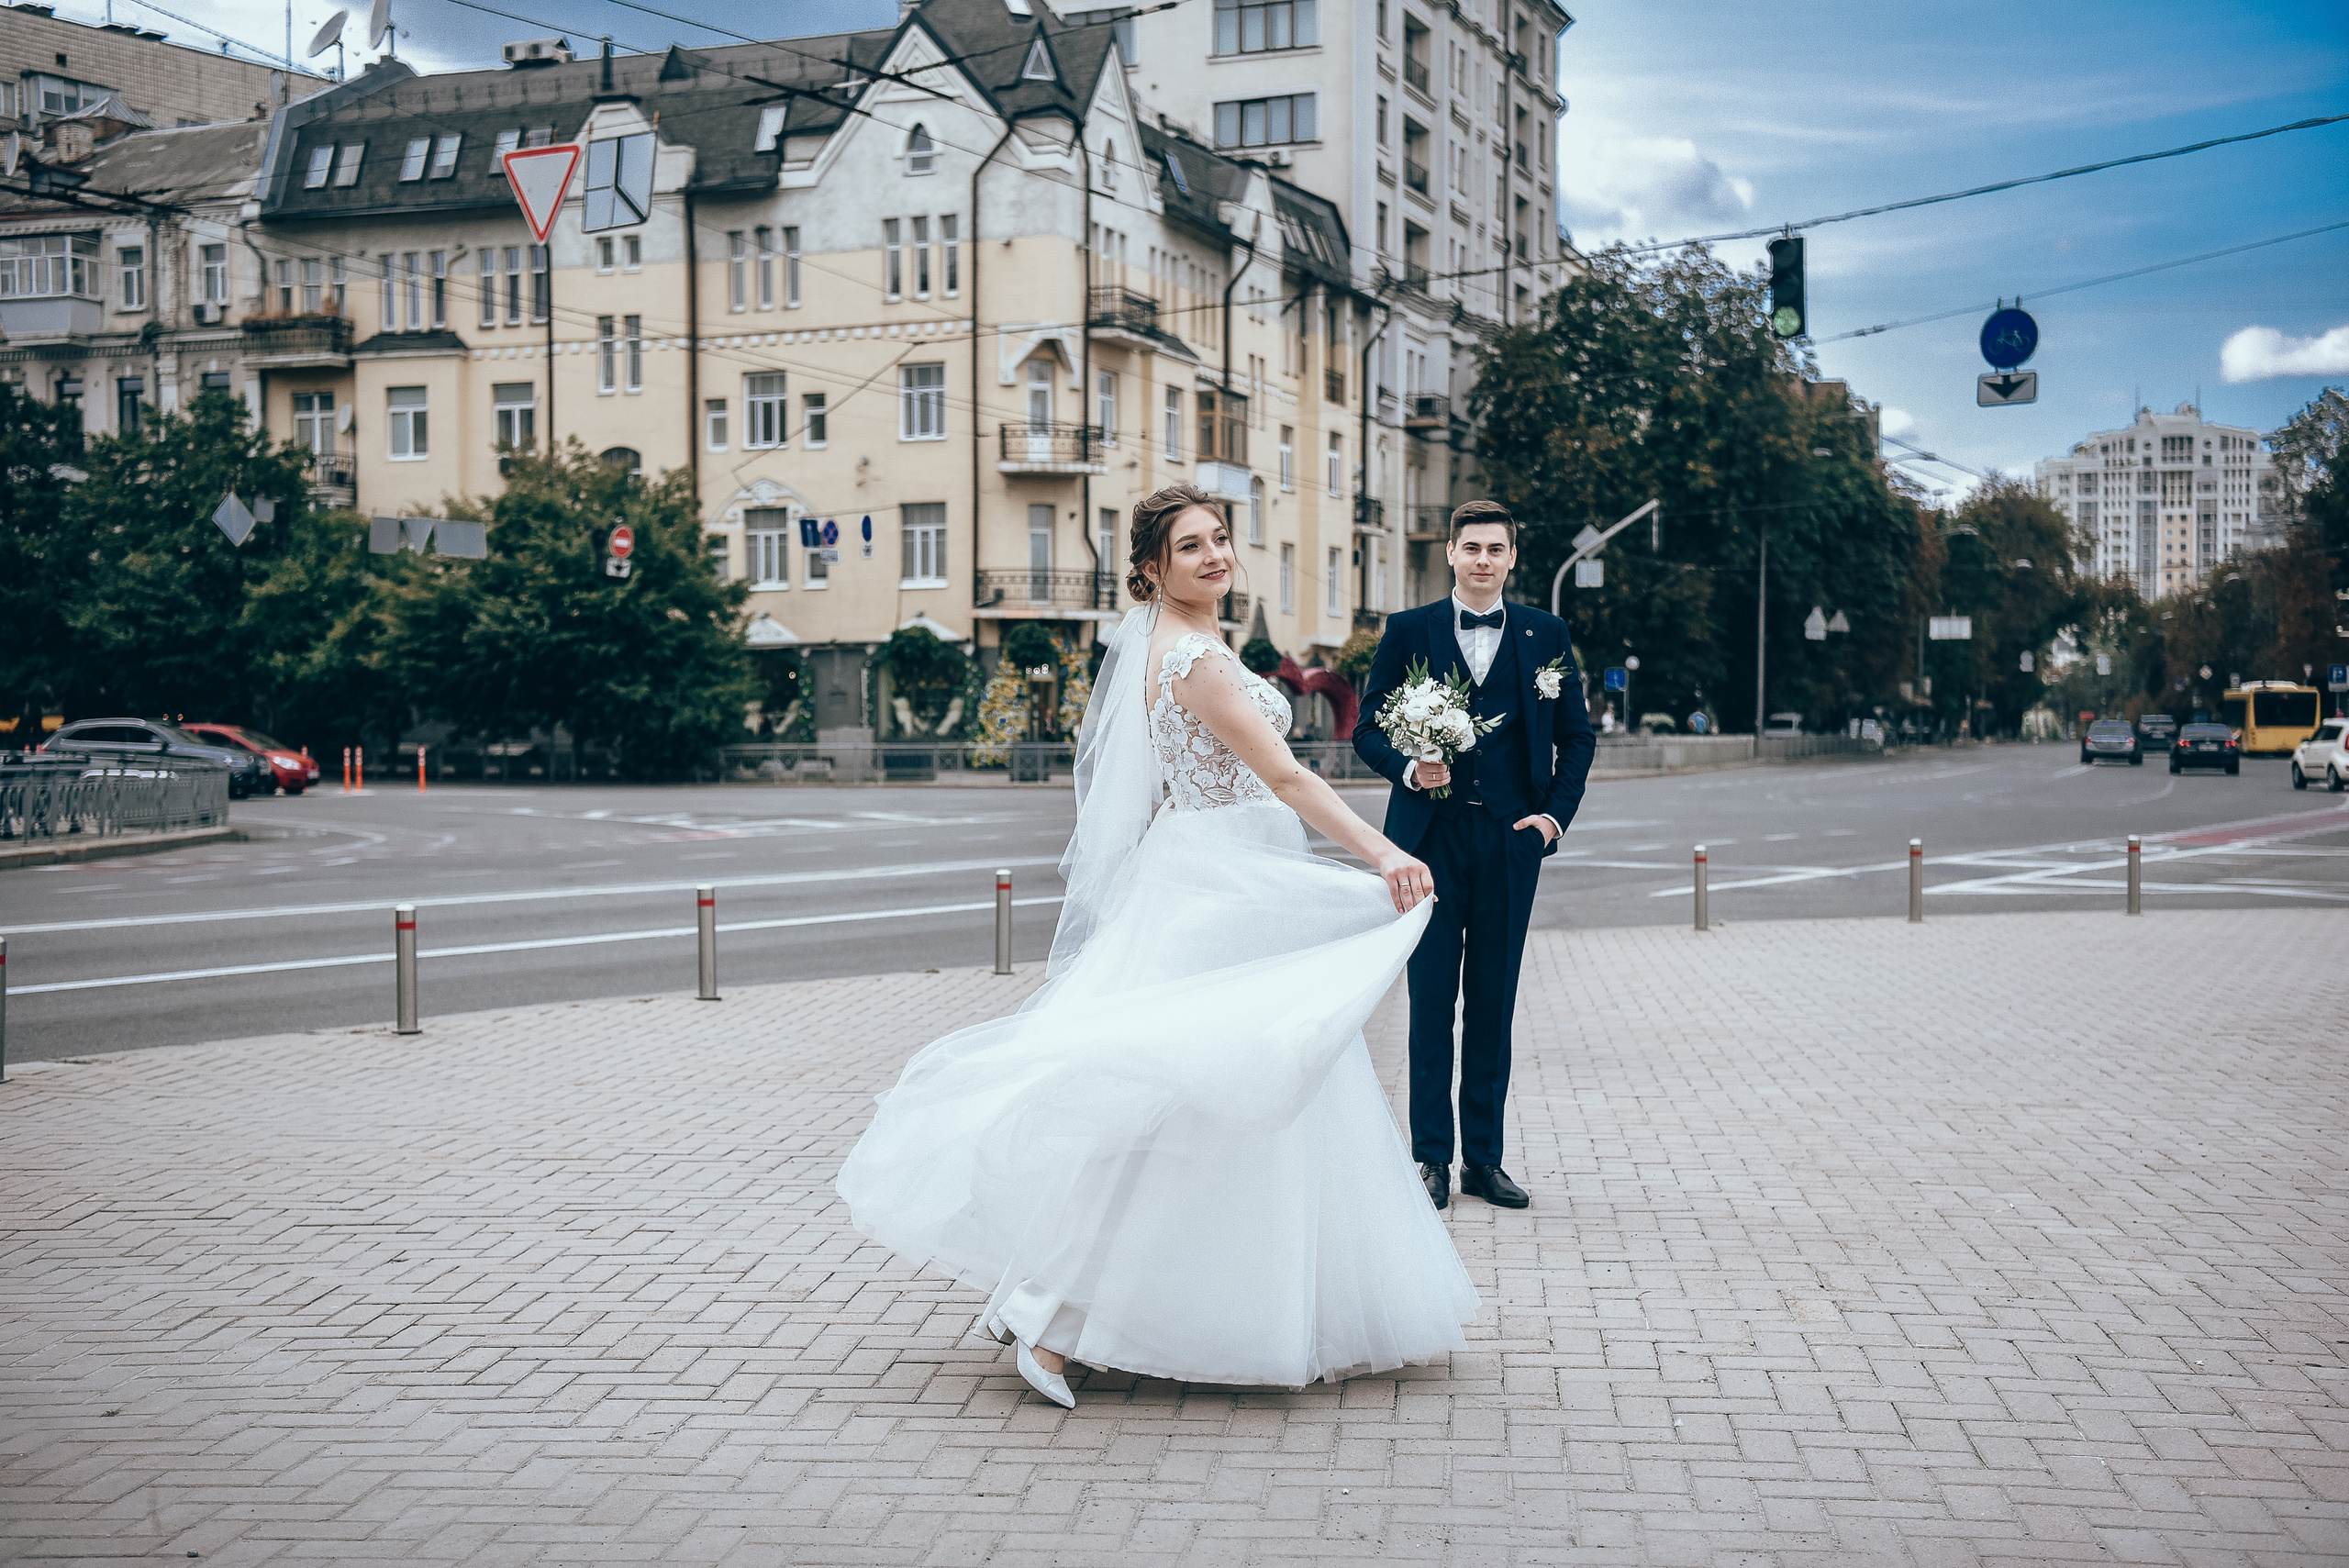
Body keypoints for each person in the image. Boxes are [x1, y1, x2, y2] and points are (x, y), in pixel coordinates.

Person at [837, 484, 1478, 1407]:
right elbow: (1287, 775)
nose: (1214, 555)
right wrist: (1383, 851)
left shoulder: (1177, 649)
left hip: (1213, 876)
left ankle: (1060, 1301)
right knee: (1184, 1108)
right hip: (1226, 886)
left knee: (1213, 1105)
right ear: (1151, 569)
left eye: (1220, 538)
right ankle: (1052, 1323)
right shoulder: (1197, 661)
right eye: (1190, 546)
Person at [1353, 500, 1598, 1212]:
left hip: (1510, 841)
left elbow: (1577, 738)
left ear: (1513, 558)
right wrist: (1407, 765)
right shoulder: (1408, 630)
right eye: (1472, 548)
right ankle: (1430, 1158)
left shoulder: (1545, 633)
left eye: (1496, 549)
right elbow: (1368, 725)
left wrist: (1552, 817)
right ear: (1451, 555)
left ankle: (1483, 1161)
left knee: (1492, 1005)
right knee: (1432, 1002)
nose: (1484, 560)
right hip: (1426, 843)